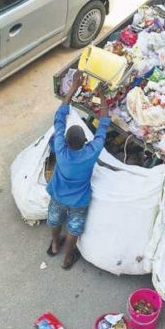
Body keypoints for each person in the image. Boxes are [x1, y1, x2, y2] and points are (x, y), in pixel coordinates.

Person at [47, 71, 111, 269]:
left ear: (65, 141)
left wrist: (73, 89)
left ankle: (55, 244)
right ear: (85, 141)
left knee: (55, 217)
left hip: (58, 194)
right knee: (74, 225)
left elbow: (59, 117)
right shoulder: (91, 152)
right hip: (78, 200)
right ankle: (67, 258)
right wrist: (102, 96)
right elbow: (103, 125)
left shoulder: (60, 147)